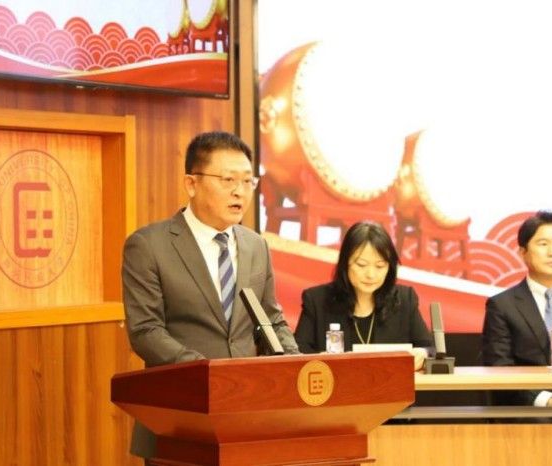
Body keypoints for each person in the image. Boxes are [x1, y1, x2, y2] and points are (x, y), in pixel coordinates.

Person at [121, 131, 299, 461]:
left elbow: (271, 320)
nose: (239, 191)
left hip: (248, 420)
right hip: (179, 420)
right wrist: (207, 374)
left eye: (247, 181)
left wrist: (292, 364)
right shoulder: (149, 246)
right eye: (228, 180)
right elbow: (145, 331)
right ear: (191, 183)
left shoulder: (255, 246)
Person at [294, 221, 433, 370]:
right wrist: (318, 360)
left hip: (391, 383)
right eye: (361, 265)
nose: (371, 275)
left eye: (380, 266)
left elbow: (430, 347)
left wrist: (422, 353)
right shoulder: (317, 300)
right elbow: (298, 352)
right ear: (345, 263)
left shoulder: (405, 298)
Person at [482, 210, 552, 407]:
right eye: (543, 244)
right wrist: (549, 402)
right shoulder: (502, 305)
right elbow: (499, 367)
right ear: (523, 252)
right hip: (533, 408)